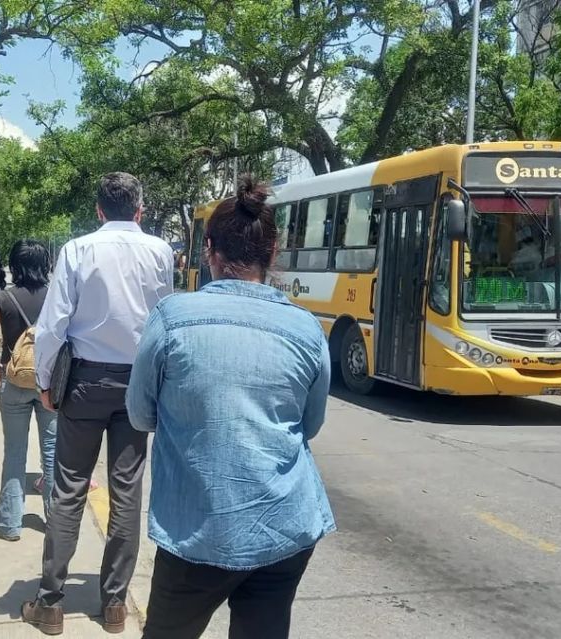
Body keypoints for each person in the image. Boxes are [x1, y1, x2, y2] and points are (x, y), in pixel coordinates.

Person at [126, 177, 334, 639]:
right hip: (284, 529)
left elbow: (140, 415)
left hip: (196, 530)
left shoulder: (171, 318)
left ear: (209, 249)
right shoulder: (306, 329)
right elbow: (310, 424)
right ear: (273, 250)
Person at [22, 172, 174, 635]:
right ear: (140, 210)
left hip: (84, 382)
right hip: (138, 384)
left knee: (68, 489)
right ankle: (113, 604)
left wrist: (45, 381)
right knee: (127, 491)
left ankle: (50, 602)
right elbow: (164, 320)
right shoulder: (161, 252)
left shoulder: (77, 250)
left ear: (99, 210)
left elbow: (53, 326)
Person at [0, 240, 57, 542]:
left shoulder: (4, 298)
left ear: (15, 265)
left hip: (14, 383)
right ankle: (57, 522)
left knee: (15, 454)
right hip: (50, 384)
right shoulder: (56, 296)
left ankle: (9, 523)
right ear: (46, 264)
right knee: (52, 453)